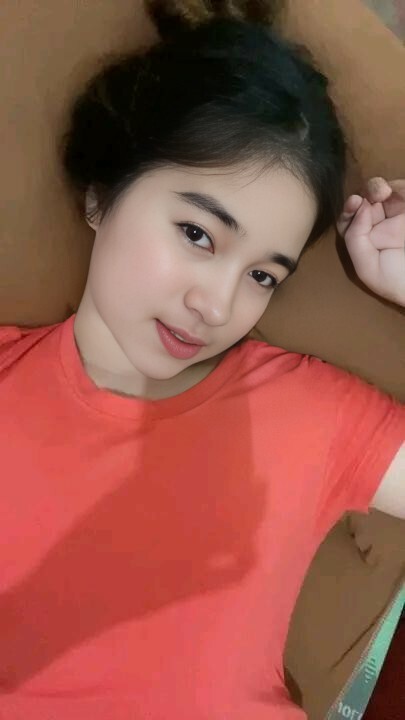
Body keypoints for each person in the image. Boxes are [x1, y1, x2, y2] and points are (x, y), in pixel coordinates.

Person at [0, 1, 404, 718]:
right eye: (196, 233)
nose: (217, 306)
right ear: (101, 194)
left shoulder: (306, 413)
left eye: (263, 276)